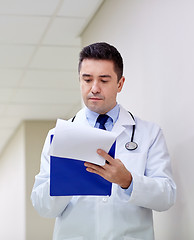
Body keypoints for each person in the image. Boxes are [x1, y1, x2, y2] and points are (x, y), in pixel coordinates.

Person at [31, 42, 176, 240]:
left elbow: (166, 197)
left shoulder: (149, 134)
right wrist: (67, 180)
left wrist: (128, 181)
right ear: (79, 81)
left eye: (104, 80)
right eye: (87, 79)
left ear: (120, 83)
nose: (94, 88)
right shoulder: (58, 135)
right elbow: (42, 207)